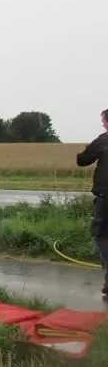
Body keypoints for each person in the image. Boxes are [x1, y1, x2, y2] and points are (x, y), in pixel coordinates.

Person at [76, 108, 108, 296]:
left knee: (101, 235)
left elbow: (82, 160)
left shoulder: (103, 140)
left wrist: (87, 149)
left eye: (104, 122)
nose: (103, 125)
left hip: (106, 199)